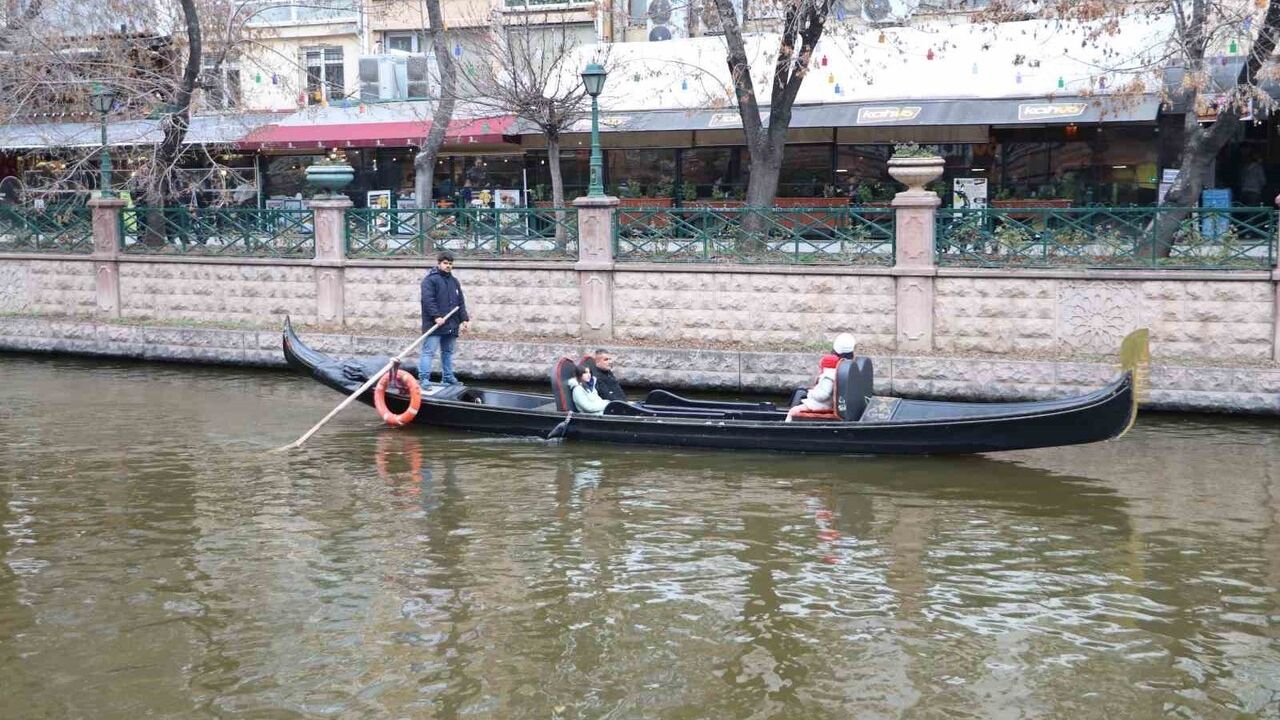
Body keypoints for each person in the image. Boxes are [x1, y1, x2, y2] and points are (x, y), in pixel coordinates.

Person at [419, 250, 470, 385]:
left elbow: (460, 302)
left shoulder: (454, 281)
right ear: (439, 263)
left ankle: (447, 377)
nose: (448, 266)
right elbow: (428, 300)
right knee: (428, 352)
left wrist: (464, 319)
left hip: (451, 324)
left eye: (450, 264)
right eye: (445, 263)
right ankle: (424, 379)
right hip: (434, 324)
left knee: (447, 352)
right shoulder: (430, 280)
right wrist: (436, 316)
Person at [785, 333, 857, 422]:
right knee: (800, 392)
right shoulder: (849, 369)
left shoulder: (830, 373)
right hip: (832, 404)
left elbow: (823, 395)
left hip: (823, 405)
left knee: (793, 411)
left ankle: (786, 426)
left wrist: (810, 393)